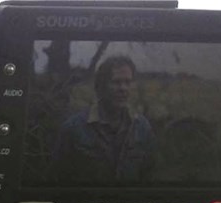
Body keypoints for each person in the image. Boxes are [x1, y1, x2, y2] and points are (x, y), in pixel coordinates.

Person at [50, 55, 156, 184]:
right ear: (101, 87)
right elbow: (57, 180)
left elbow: (149, 176)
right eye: (116, 82)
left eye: (128, 82)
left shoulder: (142, 128)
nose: (123, 88)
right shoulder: (73, 129)